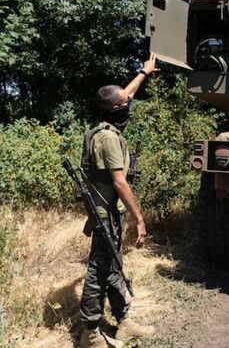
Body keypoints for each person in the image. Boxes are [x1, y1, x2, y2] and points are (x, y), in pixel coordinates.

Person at [78, 53, 158, 348]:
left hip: (110, 211)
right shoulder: (109, 138)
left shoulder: (105, 124)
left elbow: (127, 94)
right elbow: (119, 182)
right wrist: (140, 219)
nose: (129, 105)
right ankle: (89, 333)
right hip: (106, 212)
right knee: (99, 270)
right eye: (124, 104)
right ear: (114, 110)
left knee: (113, 265)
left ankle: (124, 322)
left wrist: (144, 72)